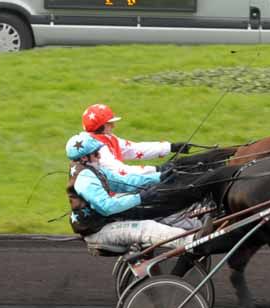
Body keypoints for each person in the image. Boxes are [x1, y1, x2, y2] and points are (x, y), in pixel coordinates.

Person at [65, 132, 195, 249]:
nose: (99, 156)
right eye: (96, 153)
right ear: (84, 158)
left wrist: (159, 177)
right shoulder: (85, 177)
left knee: (151, 212)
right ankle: (194, 241)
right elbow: (106, 206)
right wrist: (140, 198)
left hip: (106, 222)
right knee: (147, 228)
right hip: (98, 231)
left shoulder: (94, 169)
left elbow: (124, 182)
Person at [81, 103, 190, 176]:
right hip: (109, 196)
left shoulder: (107, 138)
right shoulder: (96, 149)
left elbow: (134, 149)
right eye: (109, 123)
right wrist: (157, 170)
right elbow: (121, 171)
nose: (113, 126)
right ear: (99, 126)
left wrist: (170, 147)